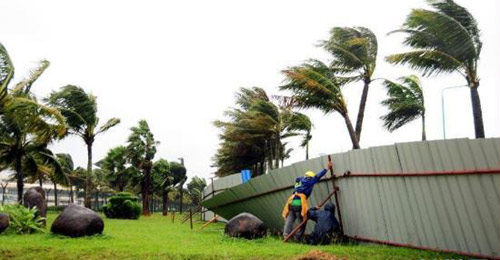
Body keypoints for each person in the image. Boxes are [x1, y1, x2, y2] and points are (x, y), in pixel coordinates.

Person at [282, 161, 332, 241]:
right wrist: (327, 168)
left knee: (290, 220)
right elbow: (317, 177)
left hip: (291, 202)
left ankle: (286, 235)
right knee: (303, 221)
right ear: (310, 177)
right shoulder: (309, 181)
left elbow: (298, 178)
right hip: (299, 203)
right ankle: (297, 238)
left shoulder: (299, 180)